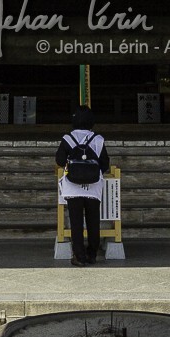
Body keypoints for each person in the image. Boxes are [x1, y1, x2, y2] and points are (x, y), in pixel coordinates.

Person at [56, 106, 110, 267]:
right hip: (93, 186)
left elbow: (59, 160)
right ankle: (92, 254)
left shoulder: (68, 139)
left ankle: (79, 256)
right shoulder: (98, 139)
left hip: (73, 185)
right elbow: (105, 164)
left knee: (76, 221)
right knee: (93, 220)